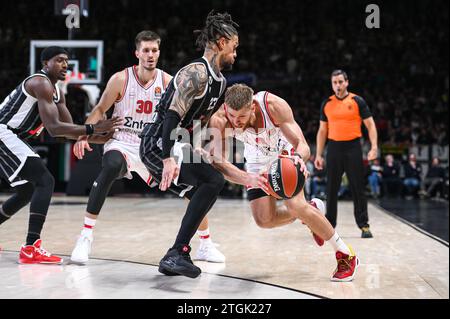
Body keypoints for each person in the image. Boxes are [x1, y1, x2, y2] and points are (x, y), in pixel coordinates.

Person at [70, 31, 225, 264]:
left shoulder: (169, 81)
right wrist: (85, 134)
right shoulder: (120, 79)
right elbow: (101, 109)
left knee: (191, 192)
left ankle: (205, 243)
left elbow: (181, 118)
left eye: (154, 50)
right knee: (111, 166)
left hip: (152, 146)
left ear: (159, 53)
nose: (150, 55)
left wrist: (194, 145)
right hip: (122, 141)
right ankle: (85, 237)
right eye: (145, 50)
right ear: (137, 53)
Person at [203, 83, 359, 282]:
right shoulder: (220, 119)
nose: (236, 122)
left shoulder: (273, 106)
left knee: (295, 205)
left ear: (252, 107)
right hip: (256, 159)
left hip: (283, 152)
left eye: (241, 117)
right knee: (264, 220)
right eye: (232, 116)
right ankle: (312, 210)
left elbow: (303, 145)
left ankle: (346, 255)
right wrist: (248, 178)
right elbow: (219, 163)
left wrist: (297, 159)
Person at [139, 11, 251, 278]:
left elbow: (199, 120)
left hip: (178, 144)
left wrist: (198, 145)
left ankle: (179, 252)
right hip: (157, 144)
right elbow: (172, 115)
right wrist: (167, 157)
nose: (236, 54)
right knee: (212, 181)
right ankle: (178, 252)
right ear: (222, 42)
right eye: (234, 48)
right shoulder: (196, 73)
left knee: (211, 182)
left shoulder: (220, 82)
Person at [0, 46, 120, 264]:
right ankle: (30, 247)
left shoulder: (58, 93)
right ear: (46, 64)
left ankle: (29, 246)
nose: (65, 64)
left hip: (12, 137)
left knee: (27, 190)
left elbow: (68, 131)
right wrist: (94, 129)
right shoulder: (40, 83)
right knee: (45, 181)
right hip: (3, 133)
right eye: (59, 60)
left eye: (67, 60)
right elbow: (55, 128)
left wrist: (101, 137)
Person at [315, 70, 377, 238]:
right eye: (334, 82)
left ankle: (364, 225)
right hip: (334, 148)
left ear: (347, 82)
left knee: (358, 187)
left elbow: (370, 125)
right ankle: (329, 227)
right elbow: (322, 131)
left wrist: (374, 147)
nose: (338, 85)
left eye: (340, 82)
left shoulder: (357, 101)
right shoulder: (327, 103)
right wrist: (319, 155)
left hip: (353, 147)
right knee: (331, 189)